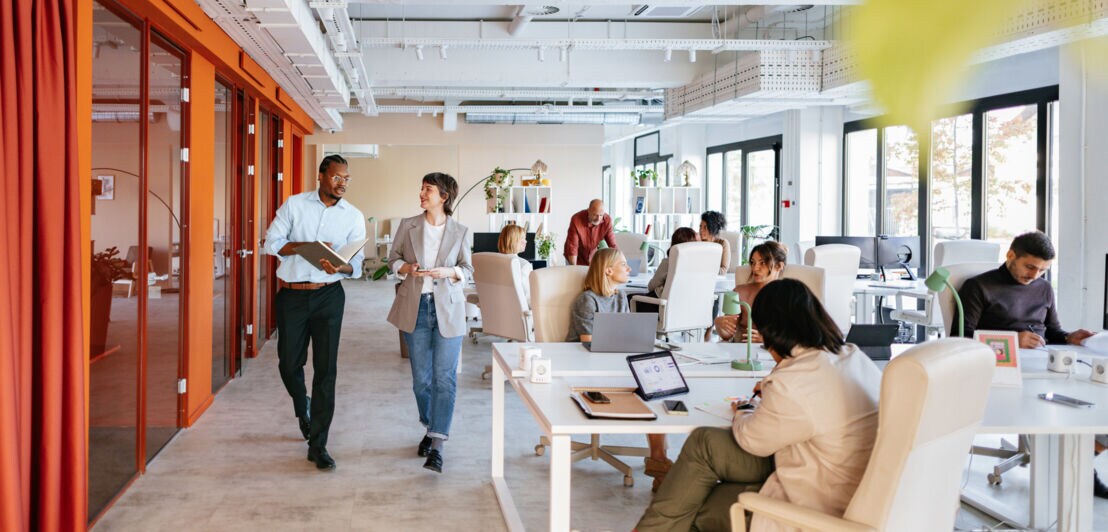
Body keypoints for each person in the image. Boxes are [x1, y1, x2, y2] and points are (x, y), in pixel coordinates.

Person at [637, 278, 882, 531]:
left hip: (815, 505)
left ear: (773, 331)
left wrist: (744, 409)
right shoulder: (853, 357)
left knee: (693, 504)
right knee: (703, 453)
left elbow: (752, 440)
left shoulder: (793, 382)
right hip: (845, 486)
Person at [955, 230, 1106, 498]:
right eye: (1030, 266)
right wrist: (1014, 339)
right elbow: (962, 338)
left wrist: (1071, 337)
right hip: (1002, 368)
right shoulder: (978, 286)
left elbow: (1052, 332)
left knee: (1094, 403)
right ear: (1011, 255)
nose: (1035, 275)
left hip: (1042, 365)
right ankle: (1078, 467)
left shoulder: (1044, 288)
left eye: (1042, 270)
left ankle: (1083, 457)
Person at [264, 154, 366, 471]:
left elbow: (357, 267)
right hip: (292, 296)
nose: (343, 184)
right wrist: (306, 246)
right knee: (288, 363)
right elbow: (271, 243)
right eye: (337, 177)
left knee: (326, 371)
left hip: (329, 297)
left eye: (347, 179)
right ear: (321, 175)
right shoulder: (294, 205)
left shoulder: (353, 216)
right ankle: (301, 404)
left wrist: (341, 264)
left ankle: (318, 444)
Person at [387, 172, 473, 474]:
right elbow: (392, 260)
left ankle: (437, 445)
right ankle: (430, 425)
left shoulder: (460, 231)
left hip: (447, 311)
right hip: (416, 309)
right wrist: (406, 267)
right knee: (421, 380)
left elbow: (467, 269)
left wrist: (448, 272)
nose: (422, 193)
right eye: (422, 188)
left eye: (428, 189)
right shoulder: (408, 225)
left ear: (443, 197)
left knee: (444, 379)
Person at [566, 248, 670, 490]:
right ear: (608, 270)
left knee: (656, 385)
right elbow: (588, 341)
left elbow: (624, 334)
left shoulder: (621, 296)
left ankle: (659, 459)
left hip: (616, 360)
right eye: (624, 264)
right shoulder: (587, 300)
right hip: (586, 364)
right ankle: (659, 461)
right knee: (646, 385)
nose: (629, 269)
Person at [714, 241, 788, 342]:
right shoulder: (739, 293)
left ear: (779, 266)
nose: (755, 268)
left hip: (774, 355)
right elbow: (727, 335)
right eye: (753, 262)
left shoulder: (789, 295)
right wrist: (719, 325)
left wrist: (767, 340)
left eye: (762, 263)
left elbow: (799, 337)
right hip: (743, 353)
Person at [634, 227, 698, 315]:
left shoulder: (668, 262)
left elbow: (651, 286)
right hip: (687, 310)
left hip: (663, 308)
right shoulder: (698, 266)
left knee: (629, 298)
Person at [563, 199, 617, 266]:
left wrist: (620, 264)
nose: (598, 219)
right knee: (574, 275)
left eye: (601, 215)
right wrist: (574, 268)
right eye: (595, 215)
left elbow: (613, 245)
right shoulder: (576, 219)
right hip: (574, 258)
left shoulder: (607, 220)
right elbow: (573, 247)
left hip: (591, 258)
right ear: (588, 210)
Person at [497, 223, 532, 304]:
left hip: (495, 310)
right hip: (518, 313)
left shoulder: (492, 261)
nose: (526, 241)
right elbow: (528, 298)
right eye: (522, 238)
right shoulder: (524, 265)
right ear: (513, 240)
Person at [699, 210, 731, 275]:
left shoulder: (723, 243)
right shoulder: (697, 243)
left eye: (705, 227)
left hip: (717, 280)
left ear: (713, 229)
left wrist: (705, 270)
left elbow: (724, 270)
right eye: (700, 226)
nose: (701, 230)